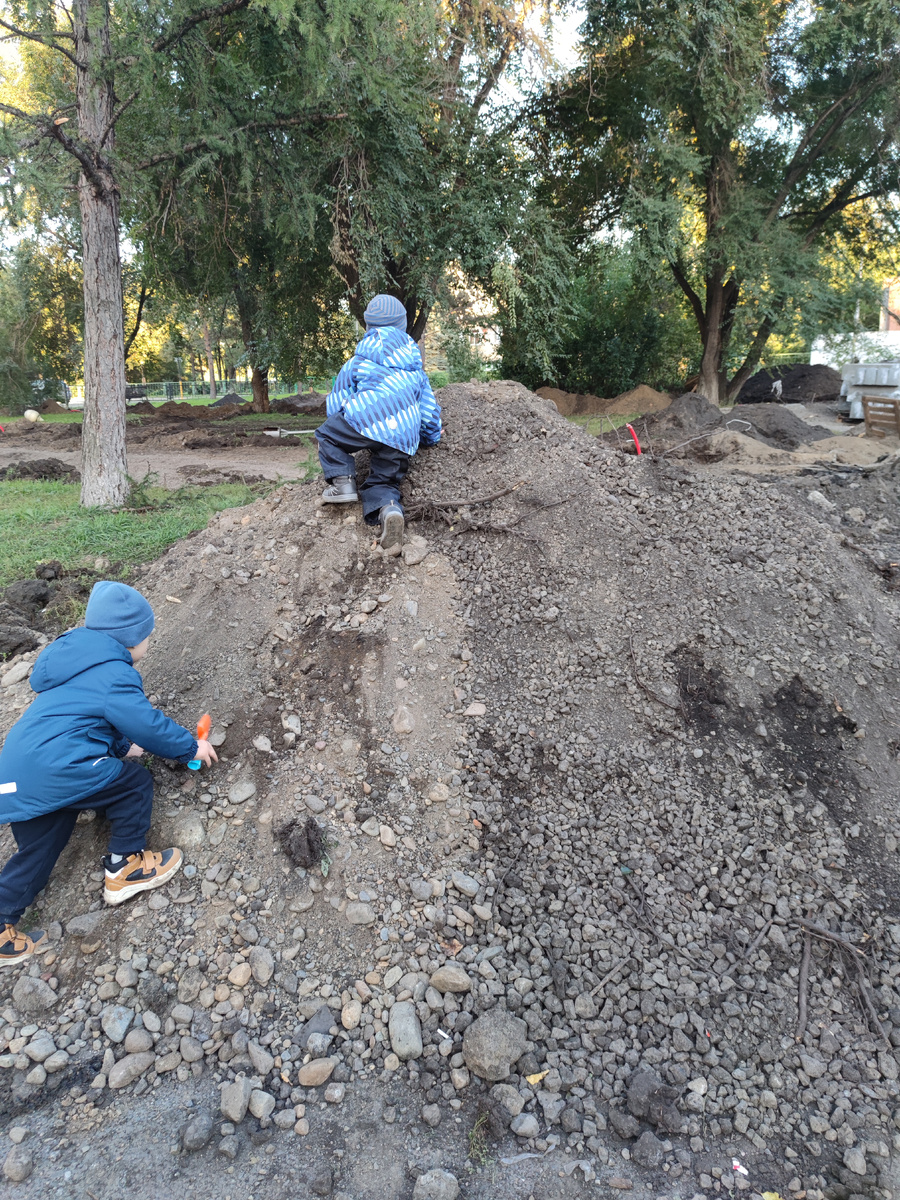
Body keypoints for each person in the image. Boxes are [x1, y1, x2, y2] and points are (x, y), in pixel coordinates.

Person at [0, 581, 217, 966]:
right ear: (132, 640)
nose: (148, 643)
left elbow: (80, 718)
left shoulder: (73, 663)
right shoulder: (115, 672)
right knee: (133, 784)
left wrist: (119, 746)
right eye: (147, 636)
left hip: (19, 774)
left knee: (39, 848)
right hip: (59, 769)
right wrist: (189, 747)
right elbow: (144, 723)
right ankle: (123, 867)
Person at [315, 294, 442, 554]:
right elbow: (429, 412)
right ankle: (390, 510)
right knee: (384, 483)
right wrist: (431, 437)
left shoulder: (358, 361)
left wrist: (342, 424)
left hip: (363, 419)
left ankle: (343, 483)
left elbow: (336, 400)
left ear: (368, 327)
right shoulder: (415, 370)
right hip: (403, 437)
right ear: (403, 326)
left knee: (326, 435)